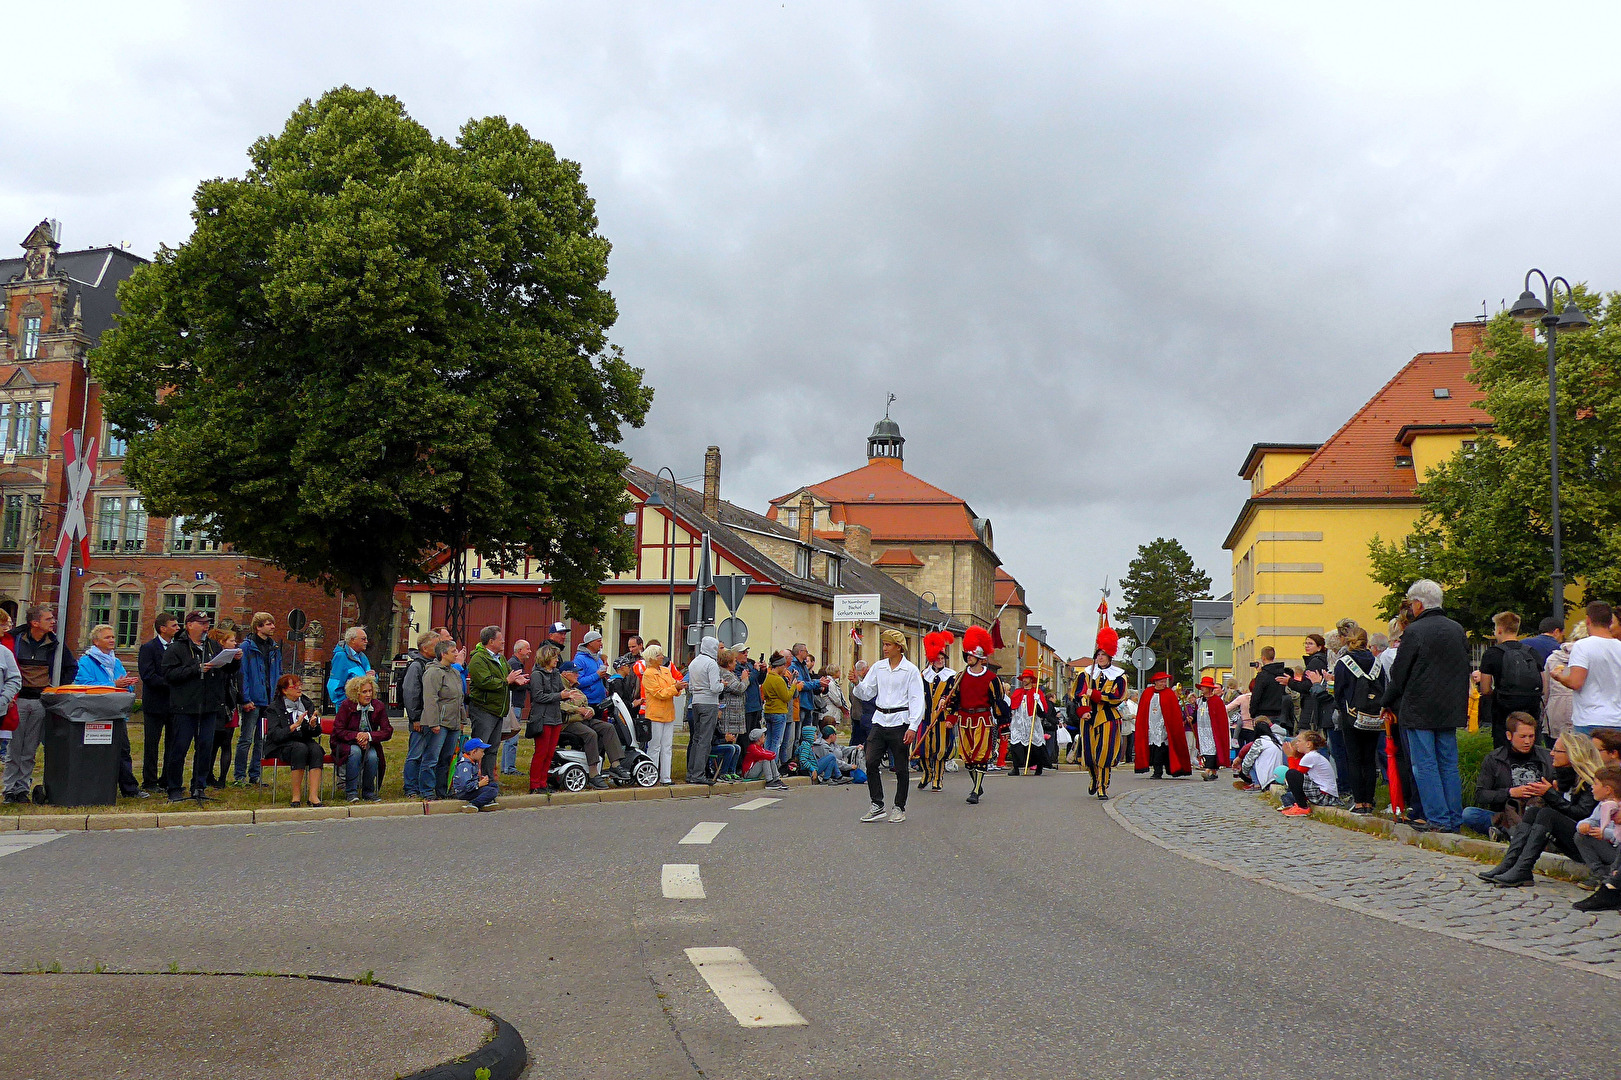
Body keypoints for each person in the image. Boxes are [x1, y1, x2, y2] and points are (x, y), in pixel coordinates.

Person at [1380, 580, 1470, 833]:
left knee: (1425, 765)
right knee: (1448, 764)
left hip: (1419, 707)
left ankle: (1438, 819)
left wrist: (1386, 701)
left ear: (1418, 603)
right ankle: (1454, 818)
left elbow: (1400, 673)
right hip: (1450, 707)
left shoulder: (1415, 631)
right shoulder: (1456, 629)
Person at [1481, 733, 1598, 886]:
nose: (1551, 753)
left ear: (1572, 754)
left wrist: (1550, 795)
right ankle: (1509, 864)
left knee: (1547, 815)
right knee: (1533, 812)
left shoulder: (1590, 780)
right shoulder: (1564, 775)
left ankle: (1523, 868)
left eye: (1557, 751)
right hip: (1573, 837)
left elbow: (1582, 814)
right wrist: (1549, 794)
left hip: (1590, 844)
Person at [2, 604, 75, 804]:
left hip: (40, 700)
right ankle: (9, 789)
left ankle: (22, 789)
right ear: (35, 623)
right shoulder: (15, 641)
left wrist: (58, 689)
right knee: (14, 748)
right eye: (48, 619)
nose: (53, 622)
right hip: (18, 700)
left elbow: (71, 667)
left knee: (30, 748)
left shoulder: (55, 643)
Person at [851, 628, 926, 821]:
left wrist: (913, 726)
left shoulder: (910, 670)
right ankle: (877, 804)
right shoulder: (878, 667)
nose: (884, 648)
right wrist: (857, 683)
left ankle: (899, 807)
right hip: (880, 719)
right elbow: (867, 692)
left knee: (901, 767)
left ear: (898, 647)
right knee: (870, 761)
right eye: (883, 644)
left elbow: (917, 699)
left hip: (900, 721)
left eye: (888, 645)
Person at [72, 622, 143, 798]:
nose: (112, 640)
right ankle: (95, 786)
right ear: (96, 641)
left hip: (117, 712)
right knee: (97, 751)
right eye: (107, 637)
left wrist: (127, 685)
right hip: (96, 713)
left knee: (123, 751)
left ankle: (130, 789)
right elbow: (84, 685)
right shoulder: (86, 661)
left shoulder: (116, 661)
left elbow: (123, 684)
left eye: (113, 637)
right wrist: (113, 685)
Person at [160, 610, 221, 803]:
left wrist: (233, 662)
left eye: (207, 623)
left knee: (205, 747)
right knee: (179, 748)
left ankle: (199, 786)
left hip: (208, 706)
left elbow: (225, 670)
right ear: (190, 625)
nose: (206, 626)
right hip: (184, 706)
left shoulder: (212, 646)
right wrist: (195, 669)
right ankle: (174, 787)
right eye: (201, 623)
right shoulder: (177, 648)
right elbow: (169, 674)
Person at [940, 626, 1005, 807]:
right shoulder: (959, 678)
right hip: (964, 720)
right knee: (967, 758)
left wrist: (1003, 725)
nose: (968, 657)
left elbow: (998, 703)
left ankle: (976, 790)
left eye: (971, 655)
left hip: (983, 720)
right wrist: (950, 717)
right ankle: (976, 785)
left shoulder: (991, 679)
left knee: (980, 756)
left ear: (980, 657)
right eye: (966, 655)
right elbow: (953, 700)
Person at [1462, 713, 1553, 836]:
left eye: (1531, 736)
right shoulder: (1494, 759)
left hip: (1538, 812)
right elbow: (1481, 794)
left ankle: (1508, 833)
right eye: (1522, 736)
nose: (1527, 741)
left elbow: (1562, 791)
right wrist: (1510, 793)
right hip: (1505, 814)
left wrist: (1548, 791)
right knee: (1469, 814)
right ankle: (1510, 831)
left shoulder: (1546, 756)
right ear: (1509, 735)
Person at [1332, 626, 1384, 815]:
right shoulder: (1376, 662)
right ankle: (1369, 801)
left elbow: (1338, 692)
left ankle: (1359, 801)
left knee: (1353, 759)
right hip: (1373, 716)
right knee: (1369, 760)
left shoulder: (1343, 663)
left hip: (1352, 716)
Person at [1550, 601, 1621, 736]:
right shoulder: (1619, 646)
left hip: (1590, 719)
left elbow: (1575, 682)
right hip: (1617, 720)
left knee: (1587, 757)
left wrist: (1558, 676)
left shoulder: (1583, 646)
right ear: (1610, 621)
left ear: (1588, 620)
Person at [1476, 611, 1543, 748]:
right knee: (1530, 746)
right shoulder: (1531, 652)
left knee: (1503, 750)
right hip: (1531, 710)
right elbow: (1544, 685)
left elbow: (1485, 689)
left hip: (1503, 711)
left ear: (1499, 629)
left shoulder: (1492, 653)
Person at [1075, 630, 1128, 799]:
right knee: (1089, 755)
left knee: (1104, 754)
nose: (1100, 657)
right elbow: (1079, 694)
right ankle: (1094, 778)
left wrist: (1096, 695)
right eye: (1098, 654)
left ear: (1110, 656)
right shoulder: (1086, 674)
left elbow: (1117, 697)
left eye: (1104, 654)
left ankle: (1103, 786)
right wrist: (1083, 710)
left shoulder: (1119, 676)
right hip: (1088, 718)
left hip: (1108, 718)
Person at [232, 612, 281, 786]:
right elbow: (242, 674)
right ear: (258, 627)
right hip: (253, 698)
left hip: (268, 699)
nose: (273, 627)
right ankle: (239, 775)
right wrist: (245, 699)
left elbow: (277, 673)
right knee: (246, 738)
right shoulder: (247, 647)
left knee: (262, 739)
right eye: (269, 624)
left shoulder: (274, 648)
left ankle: (255, 774)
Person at [560, 661, 625, 788]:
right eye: (575, 673)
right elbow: (560, 705)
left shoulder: (575, 688)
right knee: (590, 734)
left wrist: (590, 711)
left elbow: (586, 704)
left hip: (582, 719)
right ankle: (593, 773)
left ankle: (615, 765)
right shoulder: (560, 687)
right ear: (565, 674)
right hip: (569, 722)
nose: (578, 675)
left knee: (608, 727)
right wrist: (579, 710)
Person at [264, 673, 324, 806]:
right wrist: (294, 726)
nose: (299, 689)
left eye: (300, 685)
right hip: (282, 744)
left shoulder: (306, 703)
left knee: (316, 750)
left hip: (303, 740)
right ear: (284, 690)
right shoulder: (274, 708)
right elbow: (275, 735)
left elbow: (316, 733)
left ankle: (313, 796)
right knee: (299, 749)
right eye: (294, 686)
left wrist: (313, 726)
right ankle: (296, 796)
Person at [331, 673, 393, 802]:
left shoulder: (378, 706)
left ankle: (368, 792)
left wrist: (368, 736)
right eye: (364, 692)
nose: (368, 695)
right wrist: (357, 736)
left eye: (370, 691)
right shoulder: (346, 705)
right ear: (356, 693)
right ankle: (351, 792)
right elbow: (338, 731)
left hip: (369, 742)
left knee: (372, 756)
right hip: (346, 743)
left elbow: (387, 731)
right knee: (355, 752)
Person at [137, 612, 178, 794]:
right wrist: (171, 682)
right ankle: (150, 780)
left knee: (173, 742)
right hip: (155, 703)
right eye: (174, 625)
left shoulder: (177, 647)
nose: (178, 628)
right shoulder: (149, 648)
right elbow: (148, 675)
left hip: (174, 704)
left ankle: (167, 778)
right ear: (163, 628)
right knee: (152, 744)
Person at [419, 638, 466, 798]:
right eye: (453, 651)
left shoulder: (454, 672)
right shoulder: (433, 673)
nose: (456, 654)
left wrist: (462, 720)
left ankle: (442, 789)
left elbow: (459, 698)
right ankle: (427, 790)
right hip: (438, 724)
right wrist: (434, 723)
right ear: (443, 654)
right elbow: (430, 699)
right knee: (431, 758)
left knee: (446, 759)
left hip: (453, 723)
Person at [400, 630, 440, 797]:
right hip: (420, 719)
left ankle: (425, 785)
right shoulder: (417, 666)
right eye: (436, 645)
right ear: (425, 648)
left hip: (432, 719)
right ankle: (410, 787)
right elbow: (411, 692)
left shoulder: (434, 664)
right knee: (415, 754)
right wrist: (415, 718)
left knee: (429, 755)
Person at [916, 633, 957, 790]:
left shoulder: (951, 677)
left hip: (941, 719)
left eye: (943, 658)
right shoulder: (923, 675)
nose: (941, 661)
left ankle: (938, 779)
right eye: (938, 658)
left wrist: (946, 699)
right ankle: (927, 773)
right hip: (926, 717)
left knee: (940, 750)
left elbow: (955, 697)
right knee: (922, 749)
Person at [525, 644, 567, 792]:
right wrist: (559, 696)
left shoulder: (556, 673)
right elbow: (538, 696)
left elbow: (560, 691)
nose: (557, 660)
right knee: (541, 752)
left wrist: (569, 694)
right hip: (542, 717)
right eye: (555, 657)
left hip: (556, 717)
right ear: (547, 657)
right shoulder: (537, 674)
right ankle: (534, 784)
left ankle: (543, 782)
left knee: (550, 753)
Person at [204, 626, 242, 788]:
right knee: (213, 744)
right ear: (222, 642)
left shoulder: (233, 660)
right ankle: (208, 775)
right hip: (219, 705)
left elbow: (236, 681)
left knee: (226, 743)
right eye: (232, 640)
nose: (235, 643)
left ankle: (221, 779)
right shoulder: (215, 658)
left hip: (230, 705)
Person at [1136, 670, 1191, 780]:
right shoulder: (1147, 693)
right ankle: (1156, 770)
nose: (1163, 684)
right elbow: (1142, 710)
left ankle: (1163, 771)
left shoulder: (1169, 694)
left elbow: (1173, 712)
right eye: (1161, 681)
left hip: (1164, 727)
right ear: (1155, 682)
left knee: (1162, 749)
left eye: (1165, 681)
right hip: (1150, 725)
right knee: (1153, 748)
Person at [1571, 766, 1621, 883]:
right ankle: (1599, 873)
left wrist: (1605, 834)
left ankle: (1612, 876)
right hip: (1608, 850)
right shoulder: (1602, 805)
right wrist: (1584, 825)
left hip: (1618, 850)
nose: (1592, 787)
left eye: (1595, 784)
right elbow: (1592, 820)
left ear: (1608, 789)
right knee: (1580, 837)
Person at [639, 645, 681, 785]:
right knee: (655, 746)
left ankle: (666, 777)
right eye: (659, 655)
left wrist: (678, 687)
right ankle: (652, 776)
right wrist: (675, 688)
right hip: (655, 714)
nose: (662, 657)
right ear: (651, 658)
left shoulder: (665, 670)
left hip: (668, 713)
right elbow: (659, 693)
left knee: (667, 746)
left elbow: (672, 685)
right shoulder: (648, 674)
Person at [685, 635, 723, 786]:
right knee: (704, 740)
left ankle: (691, 772)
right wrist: (722, 685)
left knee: (696, 739)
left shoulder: (694, 663)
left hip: (695, 702)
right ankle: (699, 774)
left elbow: (691, 686)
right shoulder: (711, 664)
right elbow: (715, 688)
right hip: (709, 702)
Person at [1278, 730, 1341, 816]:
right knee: (1288, 794)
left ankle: (1302, 807)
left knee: (1291, 774)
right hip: (1326, 794)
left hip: (1324, 795)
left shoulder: (1310, 756)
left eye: (1299, 741)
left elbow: (1295, 777)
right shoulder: (1313, 755)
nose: (1297, 744)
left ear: (1308, 744)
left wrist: (1290, 757)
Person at [1543, 621, 1586, 745]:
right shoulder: (1594, 657)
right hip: (1583, 715)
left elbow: (1545, 692)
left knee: (1556, 754)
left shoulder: (1553, 659)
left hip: (1556, 714)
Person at [1008, 668, 1053, 776]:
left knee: (1036, 744)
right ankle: (1016, 768)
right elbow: (1012, 707)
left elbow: (1043, 711)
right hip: (1019, 723)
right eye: (1023, 677)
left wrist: (1038, 702)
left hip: (1031, 722)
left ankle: (1039, 766)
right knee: (1016, 744)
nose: (1024, 680)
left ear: (1031, 679)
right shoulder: (1018, 692)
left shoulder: (1037, 692)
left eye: (1027, 678)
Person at [502, 638, 533, 775]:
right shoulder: (514, 664)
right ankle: (509, 768)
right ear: (519, 650)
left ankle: (506, 767)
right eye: (527, 649)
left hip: (515, 703)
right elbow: (514, 684)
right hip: (514, 704)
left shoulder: (515, 663)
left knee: (510, 738)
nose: (530, 652)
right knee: (512, 738)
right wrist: (527, 684)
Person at [1191, 676, 1231, 781]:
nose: (1202, 689)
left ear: (1209, 688)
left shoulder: (1216, 701)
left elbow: (1220, 718)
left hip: (1212, 730)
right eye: (1202, 687)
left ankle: (1208, 769)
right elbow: (1197, 713)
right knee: (1204, 749)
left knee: (1212, 749)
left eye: (1204, 687)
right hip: (1201, 729)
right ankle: (1213, 772)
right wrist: (1192, 718)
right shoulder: (1199, 701)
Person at [325, 625, 371, 709]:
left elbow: (369, 682)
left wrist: (374, 677)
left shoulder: (362, 657)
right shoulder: (341, 657)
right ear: (352, 640)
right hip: (350, 711)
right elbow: (333, 687)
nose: (366, 641)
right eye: (363, 639)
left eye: (366, 639)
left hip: (364, 708)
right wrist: (346, 706)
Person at [761, 653, 794, 765]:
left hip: (769, 711)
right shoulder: (778, 680)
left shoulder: (768, 677)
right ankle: (773, 767)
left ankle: (765, 766)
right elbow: (786, 697)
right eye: (784, 666)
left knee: (768, 741)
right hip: (779, 712)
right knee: (777, 742)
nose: (785, 668)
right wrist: (793, 686)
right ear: (779, 666)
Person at [452, 737, 500, 811]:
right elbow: (466, 786)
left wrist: (481, 779)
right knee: (492, 791)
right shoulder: (465, 765)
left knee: (494, 785)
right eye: (481, 751)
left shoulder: (473, 762)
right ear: (473, 752)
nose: (483, 754)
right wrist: (479, 784)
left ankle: (485, 802)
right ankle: (473, 804)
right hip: (464, 792)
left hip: (472, 788)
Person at [1235, 719, 1286, 790]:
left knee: (1250, 761)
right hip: (1277, 775)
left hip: (1266, 777)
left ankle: (1256, 784)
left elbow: (1248, 760)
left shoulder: (1260, 742)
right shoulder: (1277, 740)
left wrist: (1244, 773)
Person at [1248, 646, 1288, 732]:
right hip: (1278, 711)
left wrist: (1252, 712)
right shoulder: (1282, 674)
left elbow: (1256, 695)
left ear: (1263, 657)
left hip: (1263, 712)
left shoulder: (1263, 675)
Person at [848, 660, 874, 749]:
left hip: (857, 713)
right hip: (860, 714)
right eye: (867, 669)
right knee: (857, 739)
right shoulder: (856, 682)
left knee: (857, 738)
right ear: (863, 669)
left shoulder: (859, 681)